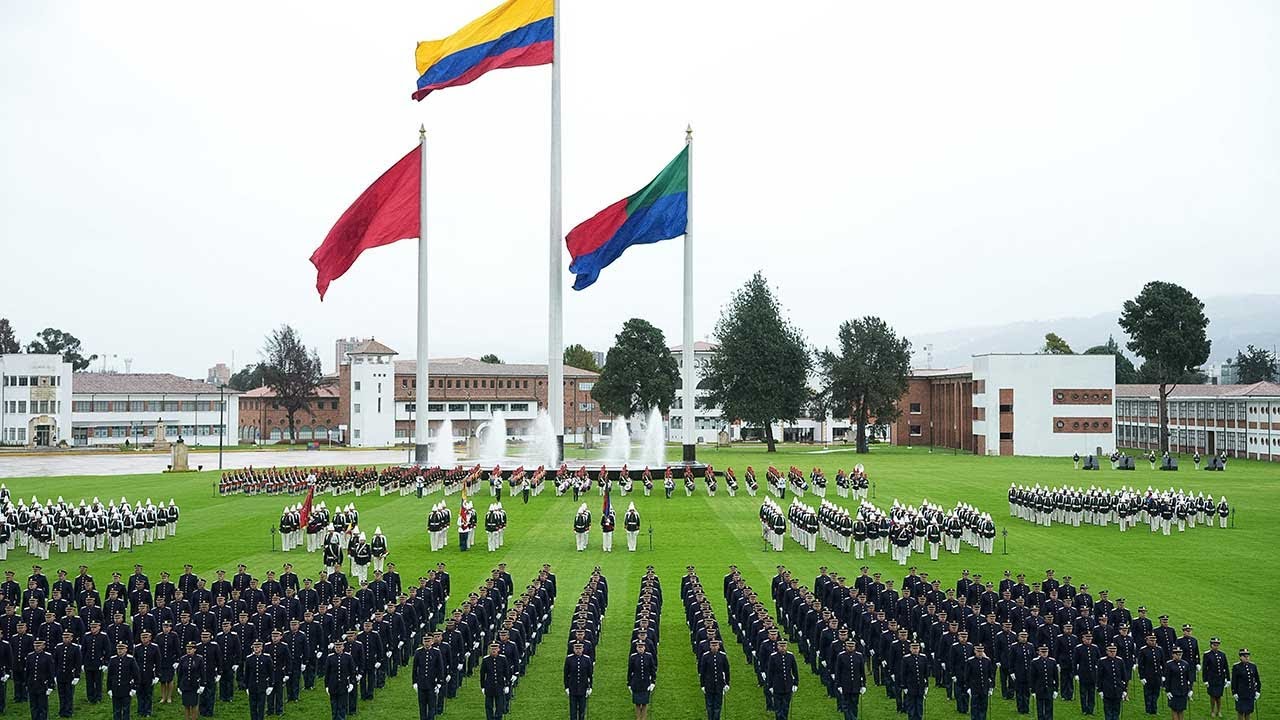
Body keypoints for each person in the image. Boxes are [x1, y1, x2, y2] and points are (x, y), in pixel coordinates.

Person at [767, 638, 800, 720]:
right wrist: (770, 686)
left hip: (788, 685)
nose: (782, 648)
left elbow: (795, 671)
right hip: (777, 685)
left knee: (786, 706)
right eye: (781, 646)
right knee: (778, 708)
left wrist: (795, 683)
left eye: (784, 646)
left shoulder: (790, 656)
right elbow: (770, 672)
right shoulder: (773, 657)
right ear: (777, 646)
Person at [697, 637, 729, 720]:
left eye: (716, 645)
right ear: (710, 646)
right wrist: (702, 685)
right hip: (709, 685)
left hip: (719, 685)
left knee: (717, 707)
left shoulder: (722, 656)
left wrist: (727, 684)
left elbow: (727, 671)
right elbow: (702, 672)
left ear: (719, 646)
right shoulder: (705, 656)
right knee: (709, 706)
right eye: (712, 645)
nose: (714, 647)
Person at [106, 641, 139, 720]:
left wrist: (134, 688)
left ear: (126, 649)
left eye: (122, 649)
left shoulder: (131, 659)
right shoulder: (113, 659)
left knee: (126, 709)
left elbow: (136, 675)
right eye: (118, 649)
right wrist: (109, 689)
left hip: (126, 688)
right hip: (115, 688)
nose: (120, 651)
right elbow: (110, 676)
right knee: (116, 710)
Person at [411, 634, 442, 720]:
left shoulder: (436, 652)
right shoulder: (418, 652)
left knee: (432, 706)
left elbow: (440, 668)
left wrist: (439, 682)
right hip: (421, 683)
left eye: (428, 641)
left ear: (432, 642)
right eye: (425, 641)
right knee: (422, 706)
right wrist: (414, 682)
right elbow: (415, 668)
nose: (427, 643)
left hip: (432, 683)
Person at [52, 630, 81, 719]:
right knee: (61, 694)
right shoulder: (58, 647)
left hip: (70, 675)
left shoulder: (75, 648)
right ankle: (62, 711)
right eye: (64, 637)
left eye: (67, 637)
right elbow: (55, 662)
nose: (65, 639)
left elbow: (78, 663)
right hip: (60, 674)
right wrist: (55, 675)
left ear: (71, 638)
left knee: (69, 694)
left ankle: (68, 711)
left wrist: (77, 676)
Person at [834, 637, 865, 720]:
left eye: (852, 646)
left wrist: (863, 685)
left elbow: (862, 672)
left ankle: (854, 717)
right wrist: (839, 685)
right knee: (846, 705)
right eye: (849, 646)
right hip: (845, 684)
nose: (850, 647)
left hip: (856, 684)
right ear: (845, 646)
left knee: (854, 704)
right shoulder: (841, 656)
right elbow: (838, 672)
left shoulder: (859, 656)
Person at [26, 638, 56, 720]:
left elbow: (51, 672)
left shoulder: (48, 656)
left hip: (42, 684)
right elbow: (28, 671)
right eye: (35, 646)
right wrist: (26, 684)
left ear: (43, 646)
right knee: (33, 705)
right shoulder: (30, 656)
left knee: (42, 706)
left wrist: (50, 686)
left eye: (39, 646)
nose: (37, 647)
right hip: (32, 684)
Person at [243, 641, 274, 720]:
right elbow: (247, 674)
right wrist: (246, 686)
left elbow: (271, 673)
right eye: (255, 647)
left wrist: (270, 685)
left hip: (262, 685)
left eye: (258, 647)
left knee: (261, 705)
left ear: (261, 648)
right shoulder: (249, 658)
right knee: (252, 706)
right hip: (252, 686)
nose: (256, 649)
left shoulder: (267, 658)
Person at [325, 639, 355, 720]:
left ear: (343, 647)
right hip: (333, 684)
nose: (338, 648)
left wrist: (352, 683)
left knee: (342, 704)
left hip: (343, 684)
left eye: (339, 647)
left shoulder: (348, 657)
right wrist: (326, 686)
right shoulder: (330, 657)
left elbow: (352, 671)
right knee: (334, 704)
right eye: (336, 647)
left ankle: (341, 718)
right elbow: (327, 673)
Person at [1098, 643, 1130, 720]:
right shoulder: (1102, 661)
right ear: (1107, 651)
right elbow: (1099, 677)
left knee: (1117, 709)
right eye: (1110, 651)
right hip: (1107, 689)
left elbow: (1124, 677)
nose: (1113, 653)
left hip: (1118, 689)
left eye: (1114, 651)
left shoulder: (1120, 661)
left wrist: (1124, 690)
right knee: (1108, 709)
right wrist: (1100, 690)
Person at [900, 641, 931, 720]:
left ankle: (919, 717)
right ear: (910, 649)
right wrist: (904, 686)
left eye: (917, 648)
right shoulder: (906, 659)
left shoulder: (923, 658)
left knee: (919, 703)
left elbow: (925, 673)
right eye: (913, 648)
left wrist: (926, 685)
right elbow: (903, 673)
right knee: (911, 704)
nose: (915, 650)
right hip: (910, 685)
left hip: (920, 685)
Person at [629, 637, 658, 720]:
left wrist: (653, 682)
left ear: (644, 648)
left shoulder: (649, 657)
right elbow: (630, 671)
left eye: (642, 647)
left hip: (645, 683)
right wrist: (629, 683)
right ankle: (638, 718)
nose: (640, 648)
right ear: (636, 648)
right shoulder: (633, 657)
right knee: (637, 704)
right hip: (636, 683)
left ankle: (644, 718)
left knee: (645, 703)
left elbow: (653, 670)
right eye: (639, 647)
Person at [479, 642, 510, 720]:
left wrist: (507, 685)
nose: (494, 650)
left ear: (498, 649)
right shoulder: (486, 660)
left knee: (499, 705)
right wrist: (482, 686)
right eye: (492, 649)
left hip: (499, 685)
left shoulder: (503, 659)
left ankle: (498, 718)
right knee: (489, 705)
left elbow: (506, 673)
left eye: (495, 649)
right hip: (489, 686)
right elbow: (482, 674)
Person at [564, 641, 593, 720]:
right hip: (573, 688)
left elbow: (590, 674)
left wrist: (590, 687)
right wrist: (566, 687)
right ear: (573, 649)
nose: (578, 650)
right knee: (573, 710)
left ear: (583, 649)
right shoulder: (569, 659)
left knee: (582, 710)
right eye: (576, 648)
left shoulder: (587, 659)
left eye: (580, 648)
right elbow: (566, 675)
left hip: (583, 688)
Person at [1164, 646, 1195, 720]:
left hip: (1183, 691)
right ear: (1173, 655)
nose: (1179, 656)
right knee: (1174, 709)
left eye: (1180, 654)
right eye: (1177, 654)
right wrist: (1167, 691)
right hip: (1174, 691)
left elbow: (1189, 678)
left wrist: (1190, 689)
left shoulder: (1185, 664)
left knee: (1181, 710)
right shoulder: (1169, 664)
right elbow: (1167, 679)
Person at [966, 644, 996, 720]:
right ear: (975, 651)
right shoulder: (970, 661)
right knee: (975, 705)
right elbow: (967, 676)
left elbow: (990, 675)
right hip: (975, 687)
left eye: (981, 651)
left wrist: (991, 687)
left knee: (983, 705)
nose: (980, 653)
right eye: (978, 651)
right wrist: (968, 687)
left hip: (984, 687)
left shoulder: (987, 661)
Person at [1202, 637, 1230, 719]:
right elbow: (1205, 668)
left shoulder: (1222, 654)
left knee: (1219, 696)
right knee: (1213, 696)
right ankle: (1212, 711)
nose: (1216, 646)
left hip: (1220, 678)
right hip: (1211, 678)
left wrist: (1228, 679)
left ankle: (1219, 710)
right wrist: (1205, 680)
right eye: (1214, 645)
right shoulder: (1207, 654)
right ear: (1211, 645)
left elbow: (1226, 667)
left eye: (1217, 645)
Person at [1031, 644, 1060, 720]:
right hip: (1039, 688)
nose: (1044, 653)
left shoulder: (1052, 661)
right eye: (1042, 652)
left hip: (1049, 688)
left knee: (1049, 706)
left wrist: (1056, 689)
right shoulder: (1034, 662)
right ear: (1039, 652)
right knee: (1040, 706)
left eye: (1046, 652)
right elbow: (1032, 677)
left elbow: (1056, 677)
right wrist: (1033, 690)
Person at [176, 642, 204, 720]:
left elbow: (202, 673)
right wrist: (179, 686)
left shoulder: (199, 659)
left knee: (194, 705)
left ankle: (194, 718)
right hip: (185, 685)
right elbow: (180, 674)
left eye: (190, 649)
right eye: (187, 649)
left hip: (194, 685)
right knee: (186, 705)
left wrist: (202, 685)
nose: (188, 651)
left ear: (194, 649)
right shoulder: (183, 659)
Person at [1230, 648, 1260, 720]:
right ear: (1240, 657)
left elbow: (1257, 680)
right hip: (1241, 693)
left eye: (1248, 656)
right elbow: (1234, 681)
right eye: (1245, 656)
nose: (1247, 658)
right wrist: (1234, 692)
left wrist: (1258, 691)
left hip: (1250, 693)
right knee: (1240, 712)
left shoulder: (1253, 666)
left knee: (1248, 711)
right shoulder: (1236, 667)